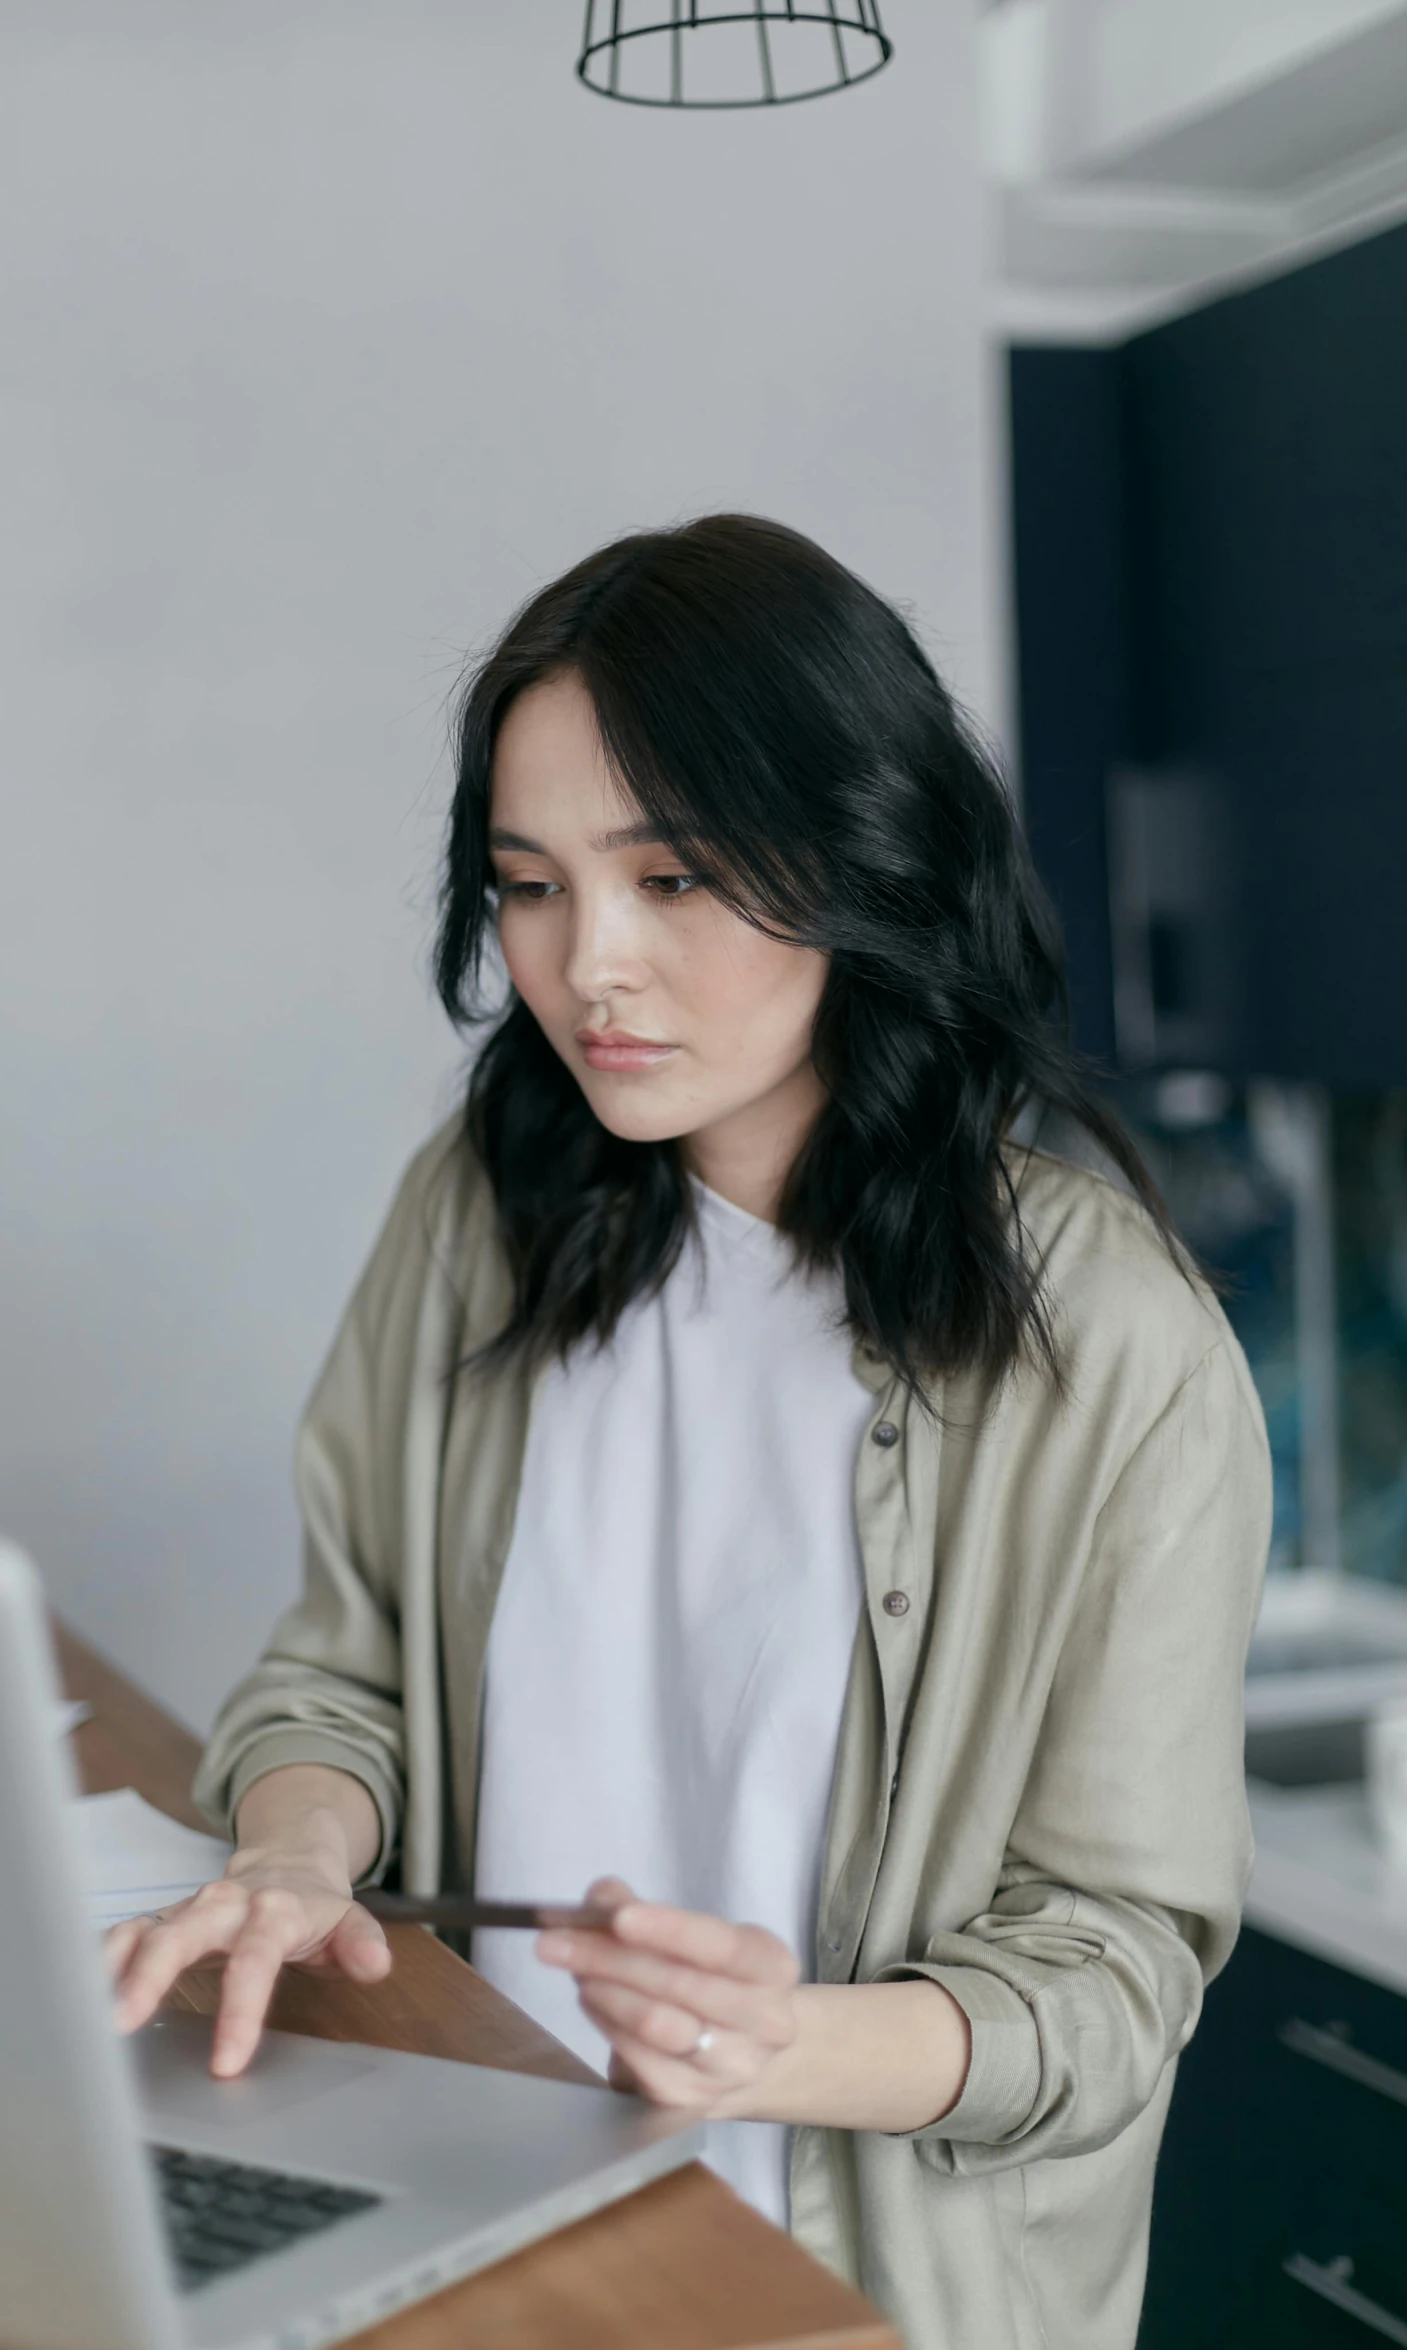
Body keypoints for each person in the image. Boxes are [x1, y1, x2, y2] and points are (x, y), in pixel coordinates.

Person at [106, 515, 1271, 2350]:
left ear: (862, 856)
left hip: (841, 2289)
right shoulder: (484, 1209)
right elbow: (346, 1669)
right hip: (490, 2208)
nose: (591, 971)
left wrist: (784, 2041)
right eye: (532, 884)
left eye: (674, 877)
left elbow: (1116, 1974)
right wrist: (292, 1854)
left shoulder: (1110, 1347)